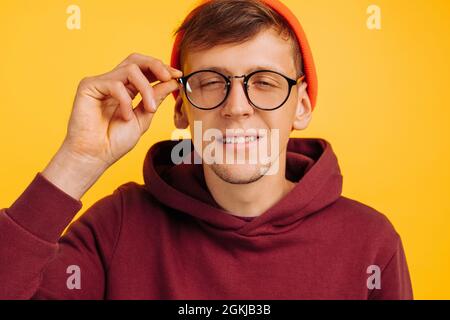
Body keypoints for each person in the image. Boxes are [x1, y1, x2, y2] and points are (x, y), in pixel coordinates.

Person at [0, 0, 413, 299]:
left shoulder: (371, 242)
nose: (236, 108)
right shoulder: (117, 226)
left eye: (265, 82)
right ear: (180, 107)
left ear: (301, 106)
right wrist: (77, 160)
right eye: (212, 82)